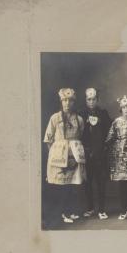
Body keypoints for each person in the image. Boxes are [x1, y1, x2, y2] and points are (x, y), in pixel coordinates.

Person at [43, 88, 86, 224]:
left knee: (72, 185)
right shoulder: (54, 118)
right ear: (61, 102)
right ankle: (61, 212)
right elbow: (49, 139)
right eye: (65, 100)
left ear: (74, 102)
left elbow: (81, 136)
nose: (67, 103)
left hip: (74, 154)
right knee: (61, 185)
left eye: (70, 101)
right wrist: (56, 153)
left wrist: (74, 153)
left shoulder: (79, 119)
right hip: (59, 155)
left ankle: (70, 211)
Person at [80, 88, 111, 220]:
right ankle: (90, 208)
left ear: (97, 99)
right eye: (89, 99)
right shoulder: (81, 114)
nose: (91, 102)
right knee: (87, 182)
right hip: (86, 153)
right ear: (86, 100)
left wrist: (105, 147)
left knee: (101, 182)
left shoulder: (103, 114)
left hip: (100, 153)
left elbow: (110, 131)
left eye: (94, 99)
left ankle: (102, 209)